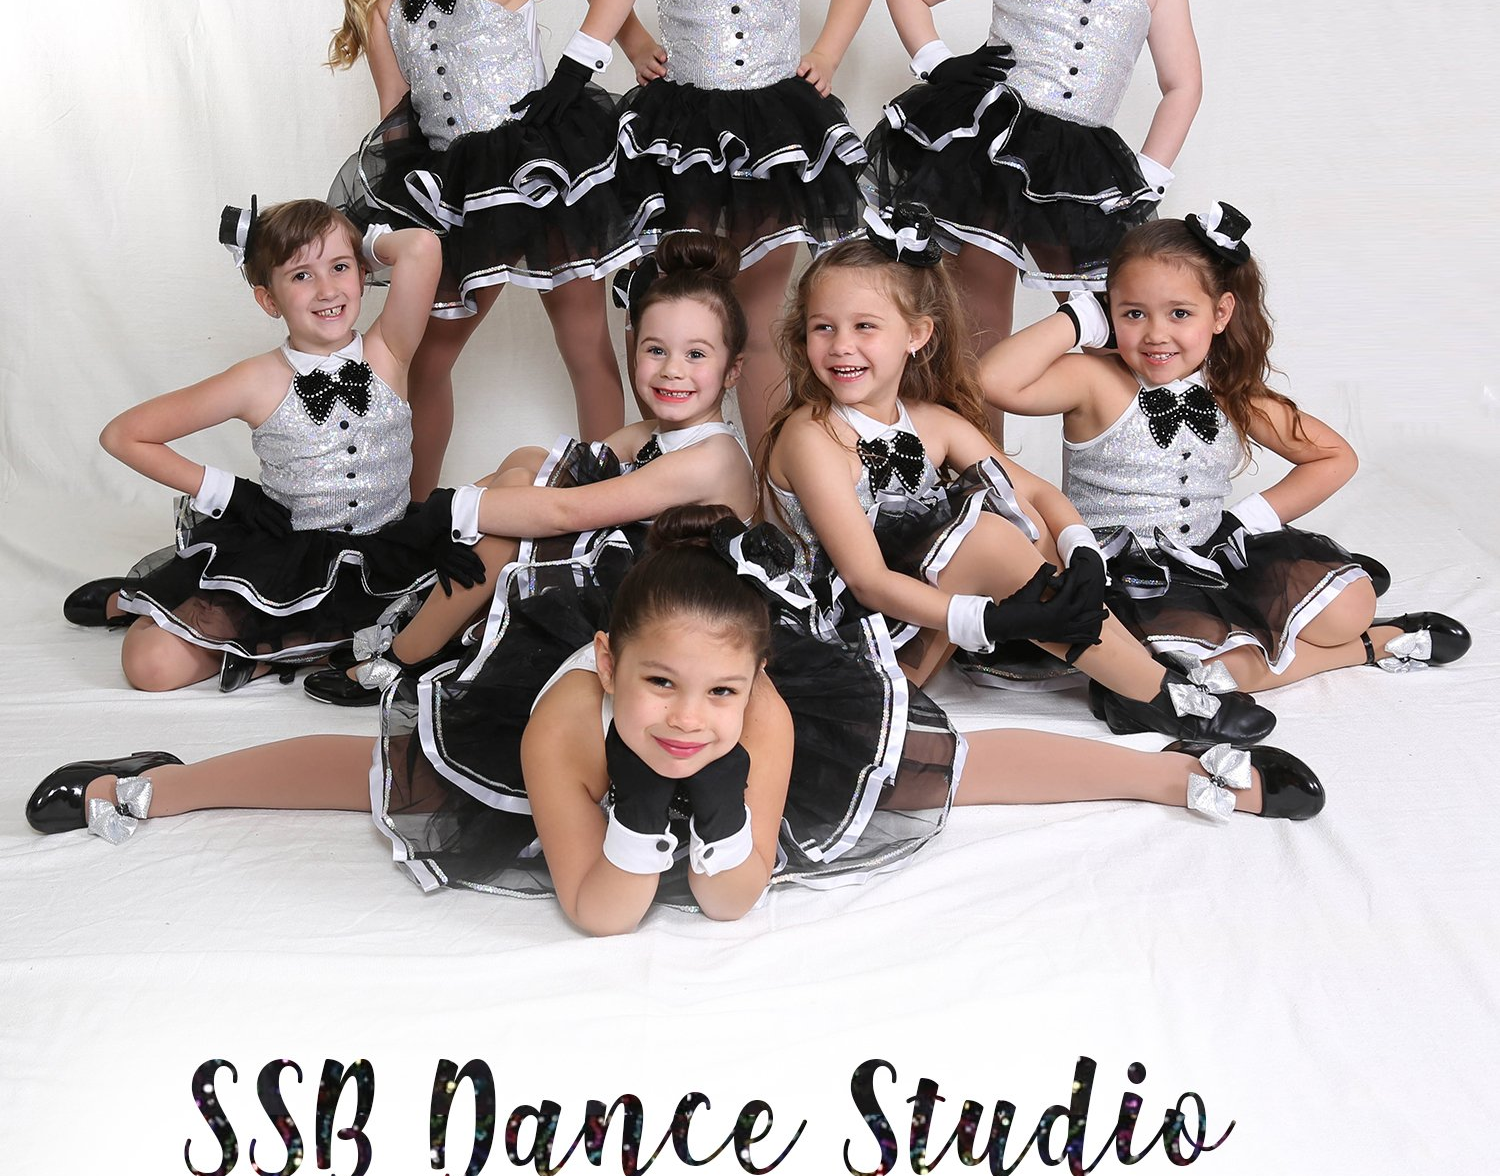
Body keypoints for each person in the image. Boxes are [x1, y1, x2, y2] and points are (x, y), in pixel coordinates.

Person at [30, 513, 1329, 920]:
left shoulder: (751, 718)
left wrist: (700, 809)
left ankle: (1170, 770)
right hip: (564, 732)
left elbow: (733, 901)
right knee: (388, 776)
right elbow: (597, 909)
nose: (687, 715)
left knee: (951, 768)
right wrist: (638, 821)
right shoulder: (565, 717)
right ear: (608, 661)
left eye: (713, 690)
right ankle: (162, 778)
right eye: (660, 685)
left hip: (728, 732)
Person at [759, 212, 1279, 746]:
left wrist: (1082, 551)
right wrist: (992, 623)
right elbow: (868, 580)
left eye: (864, 326)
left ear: (916, 334)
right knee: (986, 535)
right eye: (824, 327)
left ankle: (1132, 680)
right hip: (843, 640)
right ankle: (1152, 692)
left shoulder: (930, 422)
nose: (841, 345)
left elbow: (1034, 491)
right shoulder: (811, 436)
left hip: (917, 628)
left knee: (1022, 512)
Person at [980, 205, 1471, 693]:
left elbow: (1334, 456)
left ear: (1220, 313)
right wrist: (1079, 316)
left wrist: (1246, 521)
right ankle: (1373, 647)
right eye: (1133, 313)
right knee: (1204, 673)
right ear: (1110, 313)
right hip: (1120, 575)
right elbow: (990, 381)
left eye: (1179, 313)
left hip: (1212, 554)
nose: (1155, 334)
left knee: (1352, 605)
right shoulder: (1092, 380)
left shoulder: (1231, 390)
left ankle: (1353, 627)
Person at [328, 0, 647, 489]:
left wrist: (574, 70)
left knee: (584, 341)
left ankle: (609, 504)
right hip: (456, 185)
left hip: (543, 172)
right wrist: (401, 208)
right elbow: (395, 111)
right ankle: (413, 509)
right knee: (426, 357)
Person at [302, 231, 758, 704]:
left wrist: (455, 508)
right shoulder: (650, 433)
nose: (672, 371)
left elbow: (568, 512)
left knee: (510, 531)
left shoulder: (712, 456)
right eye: (656, 350)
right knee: (529, 460)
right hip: (640, 576)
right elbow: (555, 472)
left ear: (733, 370)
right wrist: (449, 514)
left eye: (696, 354)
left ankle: (407, 655)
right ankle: (435, 611)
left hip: (677, 608)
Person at [61, 199, 482, 691]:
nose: (327, 290)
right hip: (289, 560)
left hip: (390, 550)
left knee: (477, 618)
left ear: (363, 275)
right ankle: (134, 599)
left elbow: (422, 246)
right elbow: (123, 435)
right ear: (268, 300)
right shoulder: (255, 379)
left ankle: (272, 658)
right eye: (301, 275)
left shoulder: (388, 349)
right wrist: (226, 493)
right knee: (148, 667)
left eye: (340, 268)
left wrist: (357, 240)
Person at [597, 0, 878, 452]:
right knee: (680, 307)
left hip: (776, 131)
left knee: (754, 311)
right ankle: (669, 479)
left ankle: (765, 490)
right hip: (681, 128)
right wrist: (633, 43)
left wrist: (826, 53)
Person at [865, 0, 1201, 356]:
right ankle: (980, 449)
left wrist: (1150, 174)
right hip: (995, 144)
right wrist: (938, 64)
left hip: (1084, 161)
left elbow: (1182, 85)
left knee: (1108, 313)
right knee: (979, 308)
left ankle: (1104, 442)